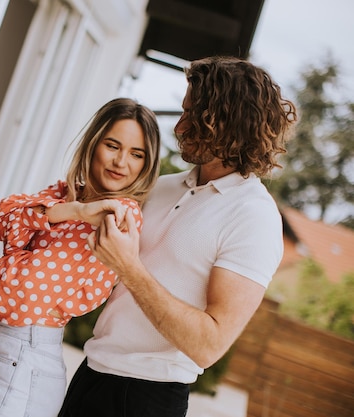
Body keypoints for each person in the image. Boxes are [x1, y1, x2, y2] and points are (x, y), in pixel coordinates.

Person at [57, 56, 298, 417]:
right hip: (92, 372)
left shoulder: (254, 217)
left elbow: (209, 345)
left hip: (148, 399)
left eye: (192, 115)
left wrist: (129, 268)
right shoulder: (161, 186)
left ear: (228, 122)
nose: (180, 127)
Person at [0, 98, 161, 417]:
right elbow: (0, 217)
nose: (121, 162)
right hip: (13, 354)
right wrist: (76, 210)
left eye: (137, 154)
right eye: (113, 145)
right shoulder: (66, 193)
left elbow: (26, 286)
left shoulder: (120, 216)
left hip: (26, 359)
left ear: (146, 164)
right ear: (94, 144)